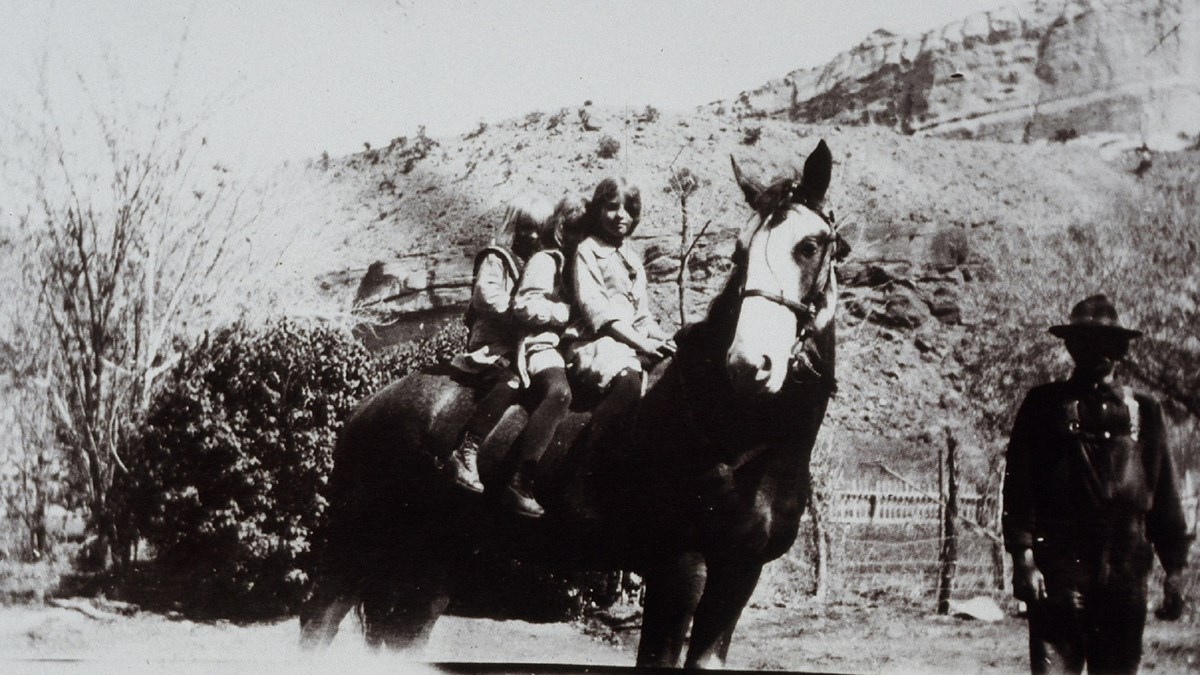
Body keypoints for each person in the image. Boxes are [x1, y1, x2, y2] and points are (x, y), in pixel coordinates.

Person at [1002, 294, 1189, 675]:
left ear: (1120, 348)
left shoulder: (1145, 410)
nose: (1096, 351)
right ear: (1071, 346)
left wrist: (1175, 571)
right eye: (1085, 341)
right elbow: (1020, 485)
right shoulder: (1043, 404)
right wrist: (1022, 557)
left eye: (1106, 342)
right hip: (1060, 568)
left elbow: (1165, 497)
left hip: (1125, 571)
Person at [446, 193, 553, 493]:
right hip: (492, 344)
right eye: (524, 228)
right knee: (511, 381)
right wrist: (520, 313)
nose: (530, 236)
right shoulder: (498, 257)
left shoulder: (540, 262)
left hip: (522, 345)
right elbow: (485, 296)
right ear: (513, 227)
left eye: (537, 229)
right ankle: (467, 448)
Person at [566, 177, 674, 447]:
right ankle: (587, 472)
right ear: (598, 210)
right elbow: (598, 313)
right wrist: (643, 343)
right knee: (627, 383)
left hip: (630, 343)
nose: (620, 216)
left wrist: (664, 339)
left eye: (628, 209)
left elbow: (643, 316)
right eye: (612, 207)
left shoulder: (632, 257)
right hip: (594, 343)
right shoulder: (587, 249)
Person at [500, 196, 587, 517]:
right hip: (541, 344)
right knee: (560, 394)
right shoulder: (545, 260)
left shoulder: (580, 264)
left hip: (571, 349)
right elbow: (523, 306)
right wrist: (564, 312)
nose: (581, 236)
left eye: (586, 229)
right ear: (562, 229)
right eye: (575, 228)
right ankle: (521, 479)